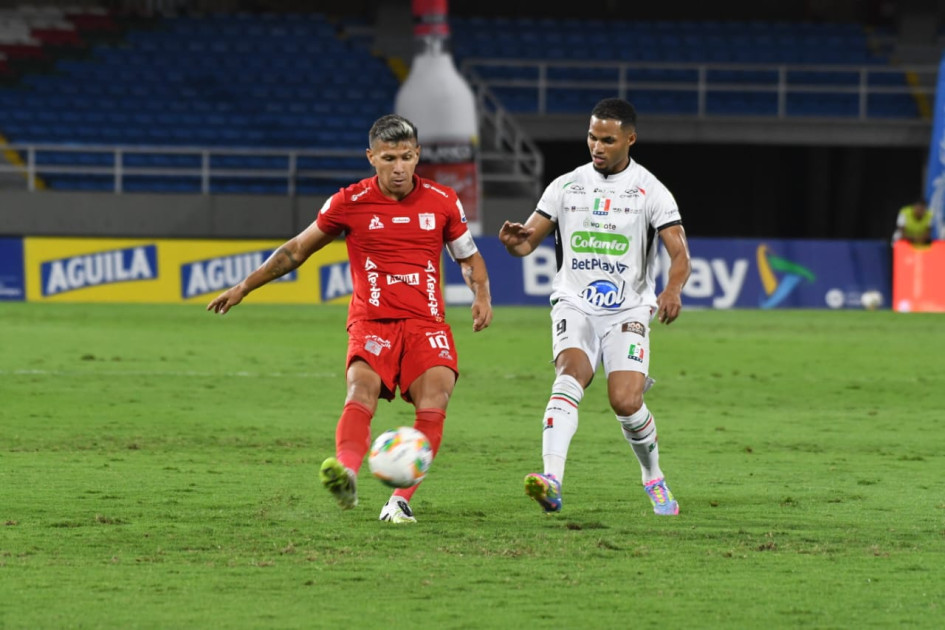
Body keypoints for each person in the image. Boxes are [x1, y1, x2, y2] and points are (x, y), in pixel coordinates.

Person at [208, 114, 493, 524]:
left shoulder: (443, 200)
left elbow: (468, 257)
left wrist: (481, 294)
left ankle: (399, 500)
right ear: (371, 158)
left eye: (407, 157)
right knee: (361, 391)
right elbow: (296, 250)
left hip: (427, 324)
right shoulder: (349, 202)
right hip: (372, 321)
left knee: (436, 401)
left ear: (418, 155)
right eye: (389, 158)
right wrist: (244, 286)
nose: (399, 167)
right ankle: (346, 473)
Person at [499, 97, 691, 516]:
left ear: (630, 139)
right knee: (570, 376)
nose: (596, 147)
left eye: (607, 140)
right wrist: (516, 244)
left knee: (625, 401)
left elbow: (680, 254)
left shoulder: (650, 190)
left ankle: (653, 477)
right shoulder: (566, 186)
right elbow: (528, 241)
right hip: (575, 303)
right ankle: (551, 481)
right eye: (591, 137)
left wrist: (672, 290)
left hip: (628, 310)